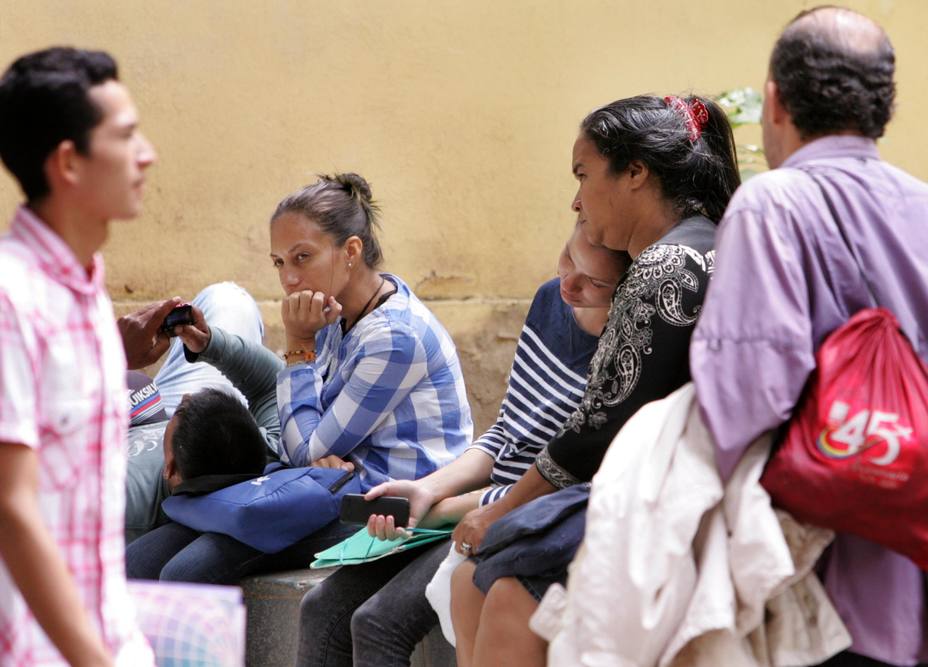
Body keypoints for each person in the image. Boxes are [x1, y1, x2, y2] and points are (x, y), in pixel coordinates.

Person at [449, 93, 741, 667]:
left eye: (584, 174)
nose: (576, 199)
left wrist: (498, 511)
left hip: (664, 512)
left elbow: (598, 428)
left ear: (635, 171)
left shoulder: (666, 265)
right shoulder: (708, 244)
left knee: (503, 590)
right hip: (693, 499)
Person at [690, 7, 928, 667]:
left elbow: (746, 398)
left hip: (822, 595)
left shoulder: (773, 205)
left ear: (774, 99)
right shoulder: (922, 205)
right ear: (887, 106)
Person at [296, 222, 630, 667]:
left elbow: (565, 485)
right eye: (568, 258)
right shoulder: (550, 300)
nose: (568, 284)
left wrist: (441, 507)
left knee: (377, 622)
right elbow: (507, 432)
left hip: (530, 514)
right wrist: (430, 489)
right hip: (470, 504)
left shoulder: (630, 346)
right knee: (320, 607)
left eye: (595, 281)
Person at [126, 172, 474, 583]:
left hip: (383, 503)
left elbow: (302, 447)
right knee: (141, 560)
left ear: (351, 251)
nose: (289, 278)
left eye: (302, 257)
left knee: (187, 571)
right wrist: (211, 343)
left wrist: (298, 343)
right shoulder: (333, 309)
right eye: (279, 262)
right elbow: (300, 428)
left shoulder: (394, 338)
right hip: (328, 485)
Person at [0, 47, 156, 666]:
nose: (147, 154)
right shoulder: (12, 297)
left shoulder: (86, 285)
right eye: (125, 136)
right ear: (68, 161)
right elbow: (12, 506)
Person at [122, 281, 275, 544]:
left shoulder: (121, 497)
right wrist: (208, 343)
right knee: (228, 297)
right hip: (165, 424)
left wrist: (112, 354)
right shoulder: (265, 446)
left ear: (170, 469)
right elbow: (272, 384)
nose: (187, 395)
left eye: (184, 407)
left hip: (106, 429)